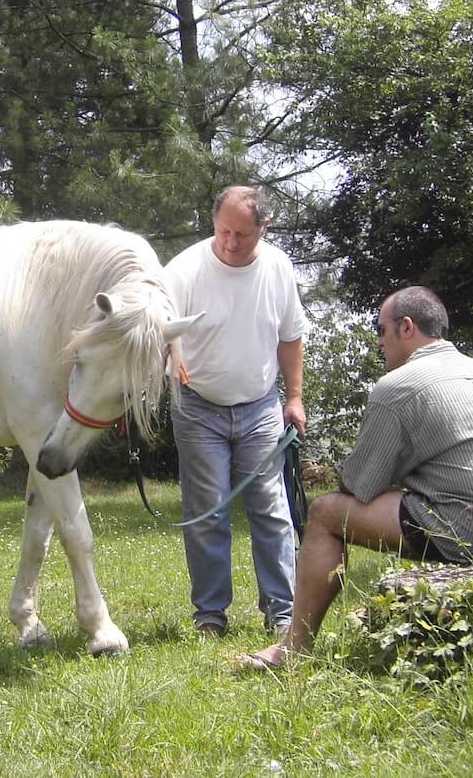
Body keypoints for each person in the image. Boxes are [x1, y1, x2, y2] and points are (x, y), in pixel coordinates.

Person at [241, 286, 473, 669]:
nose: (379, 342)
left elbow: (359, 487)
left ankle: (292, 649)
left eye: (381, 330)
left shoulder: (398, 386)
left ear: (406, 328)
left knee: (326, 515)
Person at [163, 185, 307, 636]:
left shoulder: (278, 268)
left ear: (264, 228)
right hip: (198, 406)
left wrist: (295, 397)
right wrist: (172, 353)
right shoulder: (185, 268)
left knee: (272, 508)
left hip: (260, 407)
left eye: (242, 234)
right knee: (207, 512)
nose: (230, 241)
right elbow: (158, 323)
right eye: (223, 230)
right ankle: (210, 616)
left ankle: (282, 614)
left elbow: (291, 336)